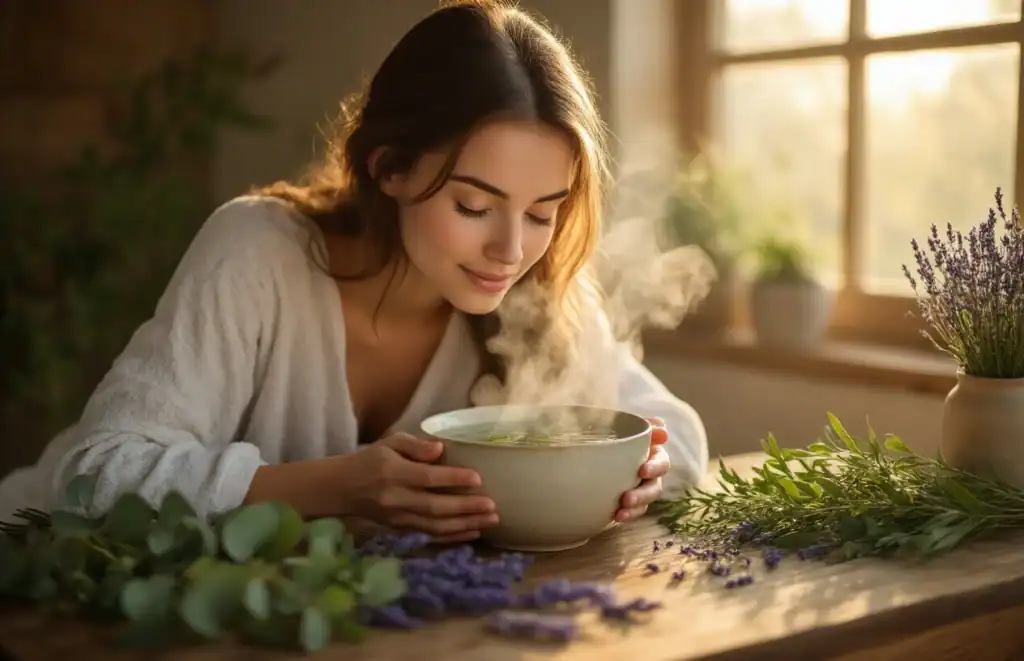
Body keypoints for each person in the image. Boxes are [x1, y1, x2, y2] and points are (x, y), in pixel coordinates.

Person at [0, 0, 708, 542]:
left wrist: (635, 470)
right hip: (41, 565)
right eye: (473, 204)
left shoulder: (535, 292)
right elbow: (93, 479)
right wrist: (336, 484)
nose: (510, 248)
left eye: (543, 211)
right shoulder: (258, 253)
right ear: (388, 167)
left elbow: (675, 432)